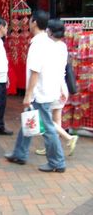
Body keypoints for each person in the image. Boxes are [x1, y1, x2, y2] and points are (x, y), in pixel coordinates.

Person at [5, 10, 66, 173]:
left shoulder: (38, 44)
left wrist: (28, 94)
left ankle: (57, 162)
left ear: (34, 23)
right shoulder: (49, 43)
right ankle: (19, 153)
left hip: (40, 93)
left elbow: (35, 72)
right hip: (46, 90)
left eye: (30, 20)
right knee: (29, 121)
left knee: (47, 128)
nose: (29, 23)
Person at [35, 19, 78, 156]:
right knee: (56, 119)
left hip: (53, 86)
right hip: (61, 86)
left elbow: (52, 69)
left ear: (50, 31)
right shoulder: (63, 46)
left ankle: (69, 138)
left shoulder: (51, 46)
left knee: (46, 119)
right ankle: (53, 146)